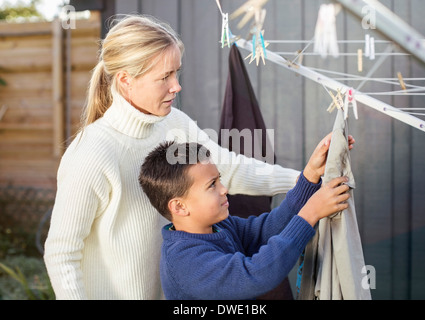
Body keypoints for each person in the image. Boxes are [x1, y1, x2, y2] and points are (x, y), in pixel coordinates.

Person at [44, 14, 354, 300]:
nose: (176, 86)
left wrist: (307, 177)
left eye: (176, 73)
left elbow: (228, 169)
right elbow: (62, 254)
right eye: (164, 77)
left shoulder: (174, 123)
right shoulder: (91, 154)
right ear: (125, 79)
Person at [139, 141, 350, 300]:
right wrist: (309, 214)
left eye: (219, 179)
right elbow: (255, 274)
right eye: (212, 185)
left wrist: (310, 175)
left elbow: (267, 230)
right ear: (179, 206)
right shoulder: (185, 262)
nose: (224, 189)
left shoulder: (219, 226)